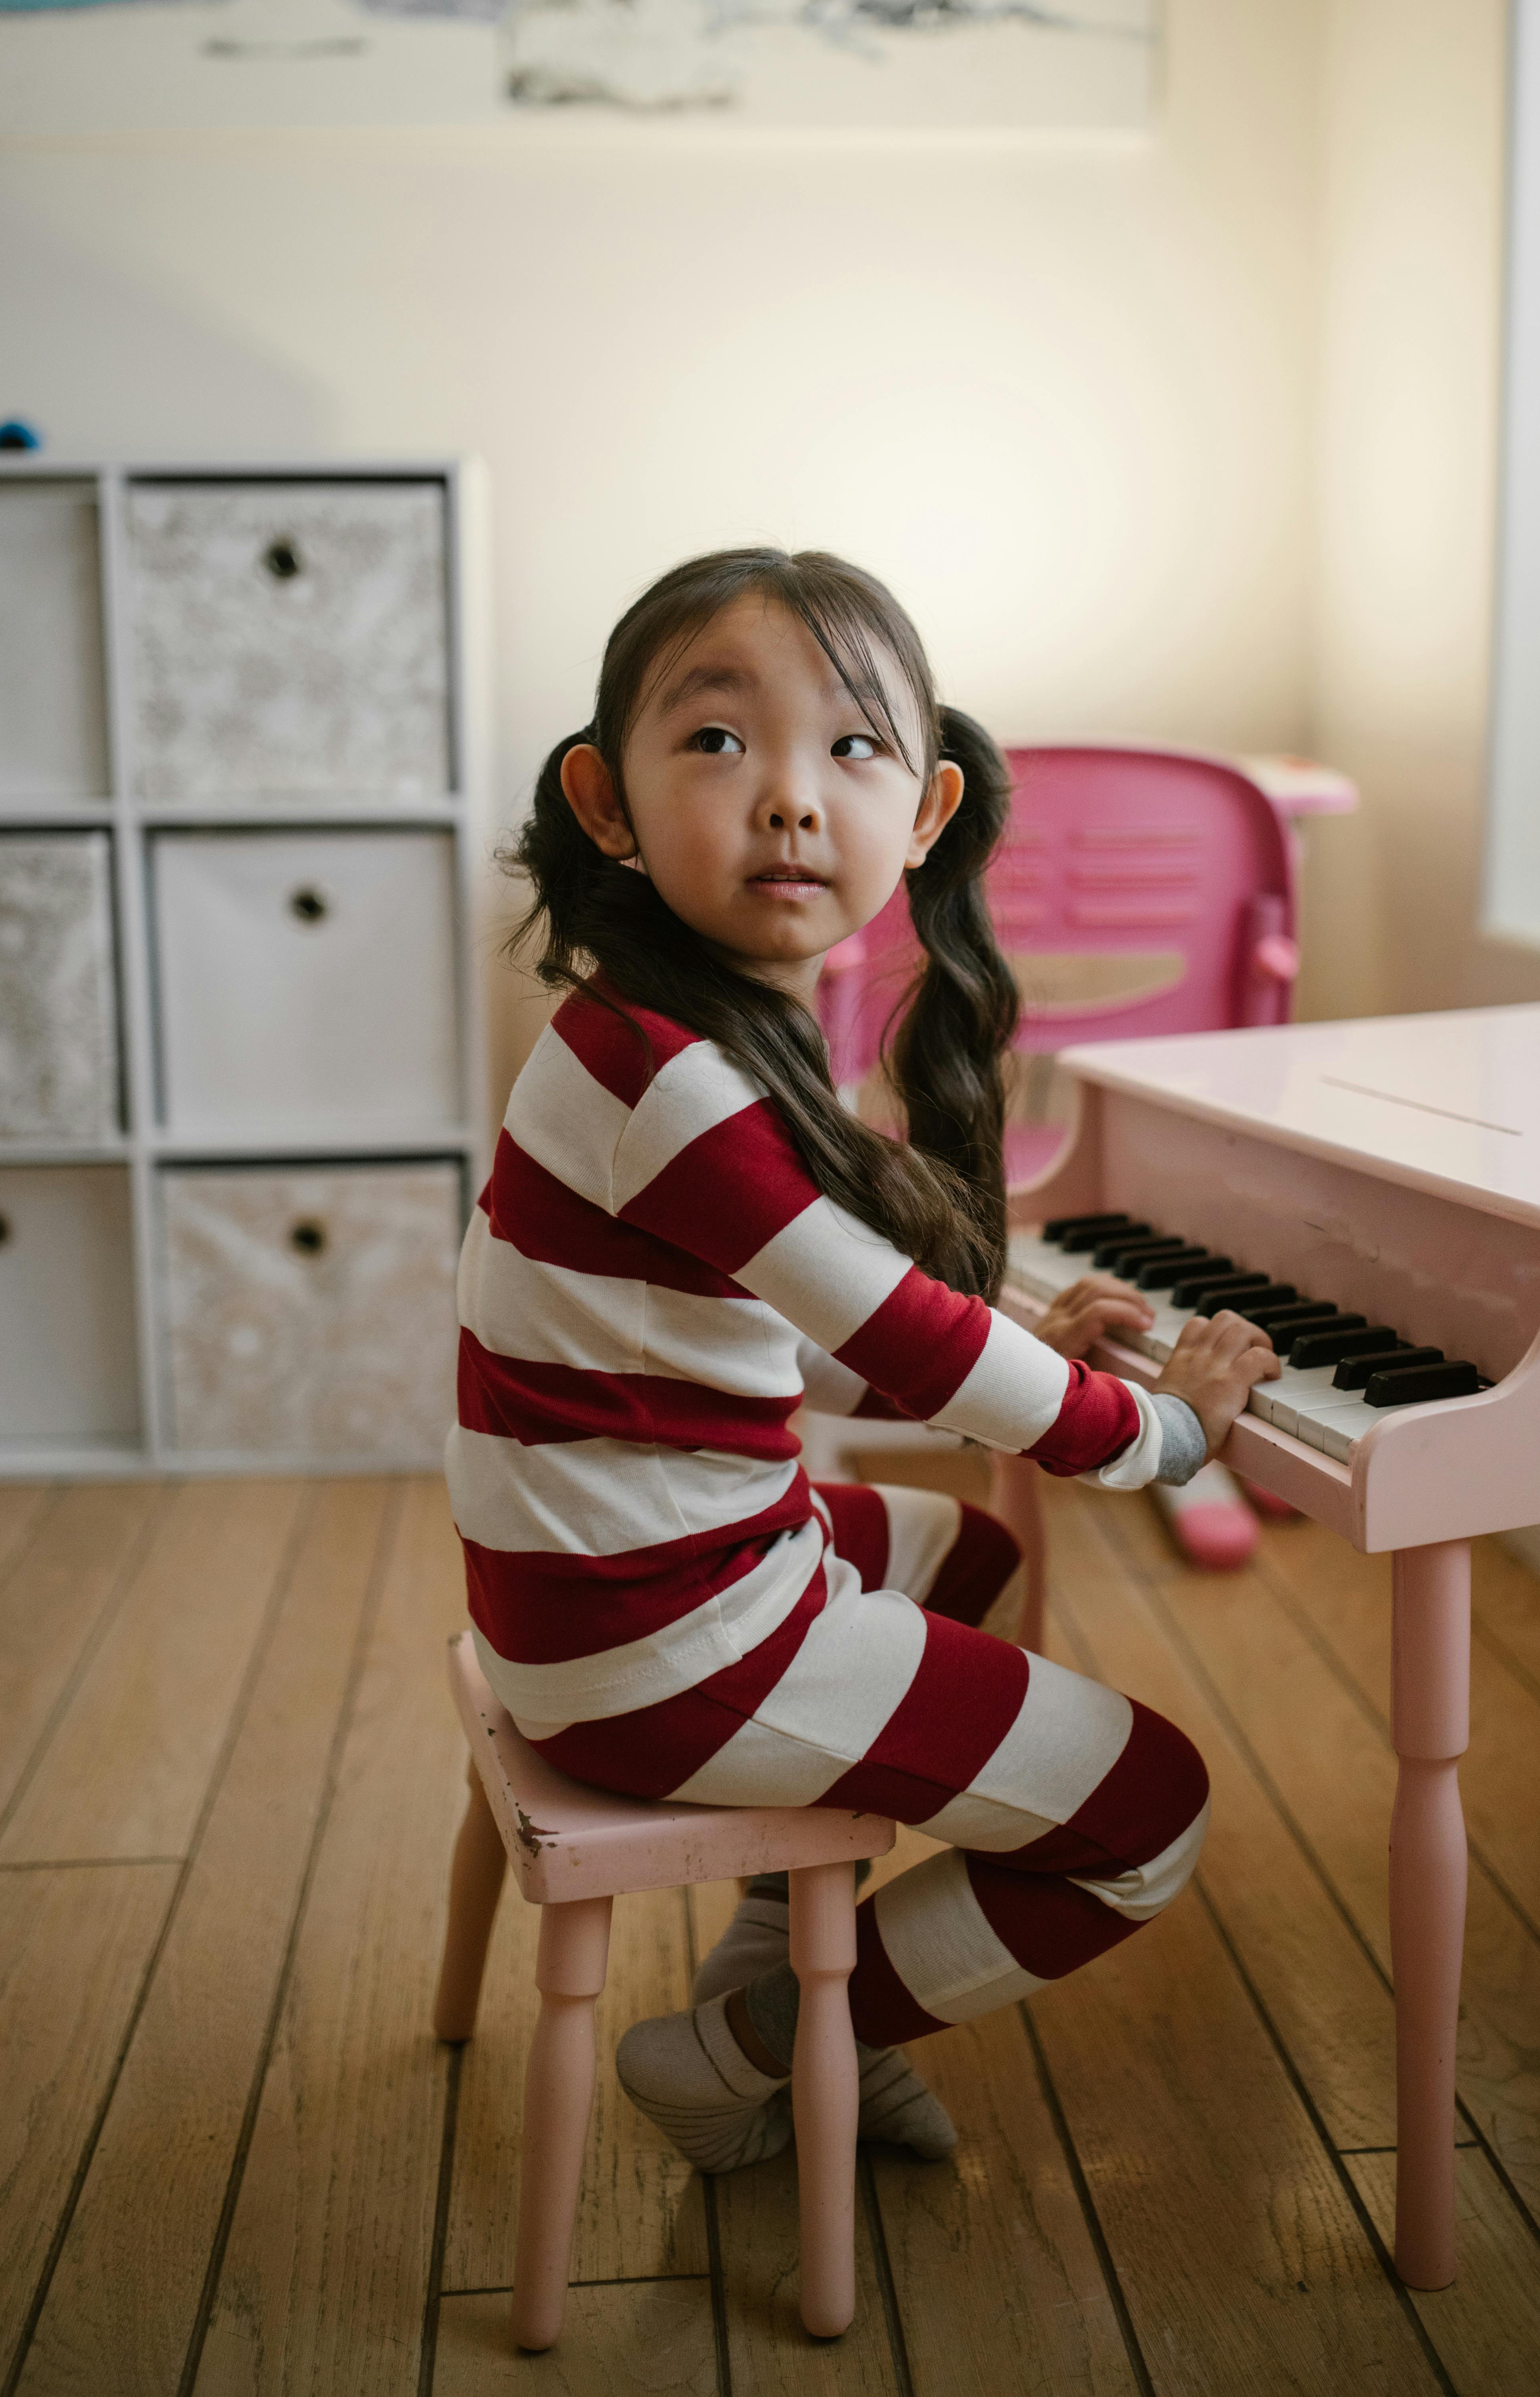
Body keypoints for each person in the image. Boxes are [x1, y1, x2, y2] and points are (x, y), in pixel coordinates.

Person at [450, 546, 1278, 2172]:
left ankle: (775, 1964)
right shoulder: (678, 1081)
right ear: (605, 803)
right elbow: (909, 1335)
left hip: (604, 1589)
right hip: (665, 1642)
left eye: (849, 746)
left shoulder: (637, 1031)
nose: (786, 797)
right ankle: (751, 2048)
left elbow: (765, 1339)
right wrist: (1162, 1435)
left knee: (955, 1551)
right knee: (1152, 1813)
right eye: (714, 740)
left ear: (923, 813)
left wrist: (1033, 1339)